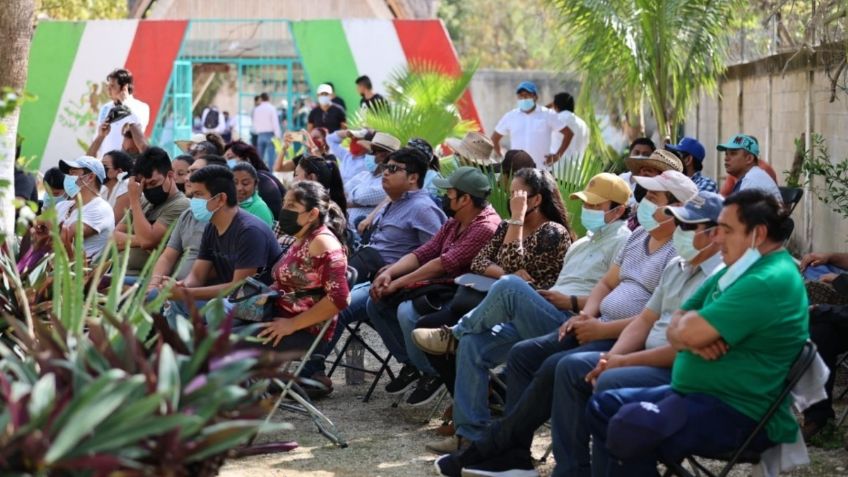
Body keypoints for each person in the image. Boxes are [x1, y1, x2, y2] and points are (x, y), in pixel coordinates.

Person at [435, 192, 725, 477]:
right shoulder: (671, 259)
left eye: (689, 226)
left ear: (717, 233)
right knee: (524, 354)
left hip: (644, 351)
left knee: (566, 365)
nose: (681, 231)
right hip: (607, 330)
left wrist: (610, 350)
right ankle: (513, 454)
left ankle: (514, 451)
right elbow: (643, 312)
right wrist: (597, 332)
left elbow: (676, 335)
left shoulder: (712, 273)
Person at [586, 189, 806, 477]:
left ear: (759, 233)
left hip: (737, 410)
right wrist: (690, 336)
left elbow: (685, 329)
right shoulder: (739, 269)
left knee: (628, 426)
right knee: (605, 406)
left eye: (726, 230)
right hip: (700, 394)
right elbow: (681, 320)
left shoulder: (766, 279)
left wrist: (689, 334)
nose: (717, 238)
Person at [302, 148, 447, 389]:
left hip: (393, 282)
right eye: (385, 167)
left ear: (413, 177)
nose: (384, 173)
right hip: (371, 272)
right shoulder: (395, 201)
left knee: (340, 305)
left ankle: (310, 373)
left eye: (393, 169)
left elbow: (436, 254)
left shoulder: (423, 208)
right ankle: (309, 368)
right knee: (323, 294)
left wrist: (399, 274)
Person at [367, 166, 501, 406]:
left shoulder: (485, 227)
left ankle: (433, 372)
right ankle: (413, 365)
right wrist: (390, 272)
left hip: (465, 295)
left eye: (449, 193)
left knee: (407, 312)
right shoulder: (454, 220)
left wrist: (397, 283)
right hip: (440, 287)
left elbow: (443, 263)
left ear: (465, 199)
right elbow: (425, 251)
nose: (444, 197)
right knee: (374, 302)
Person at [166, 165, 282, 319]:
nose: (194, 201)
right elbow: (197, 275)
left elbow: (239, 286)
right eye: (193, 195)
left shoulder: (250, 231)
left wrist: (187, 293)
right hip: (228, 300)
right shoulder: (211, 227)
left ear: (221, 198)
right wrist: (180, 287)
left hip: (257, 303)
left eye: (199, 194)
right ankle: (181, 343)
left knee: (215, 309)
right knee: (176, 303)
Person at [248, 181, 350, 353]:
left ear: (312, 214)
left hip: (303, 329)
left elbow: (340, 298)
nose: (284, 210)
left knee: (222, 343)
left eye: (292, 205)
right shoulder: (303, 236)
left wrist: (292, 325)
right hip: (277, 313)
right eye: (284, 204)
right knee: (214, 323)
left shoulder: (322, 243)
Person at [148, 155, 227, 289]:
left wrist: (179, 288)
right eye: (188, 172)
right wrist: (153, 285)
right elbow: (167, 257)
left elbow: (216, 271)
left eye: (195, 172)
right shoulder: (188, 214)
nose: (186, 178)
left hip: (201, 294)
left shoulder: (223, 220)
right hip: (173, 286)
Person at [113, 147, 189, 277]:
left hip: (142, 279)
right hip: (118, 272)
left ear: (170, 176)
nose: (148, 189)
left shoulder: (181, 204)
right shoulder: (143, 201)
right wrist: (140, 240)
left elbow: (148, 240)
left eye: (153, 183)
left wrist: (134, 201)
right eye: (144, 185)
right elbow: (113, 238)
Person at [491, 81, 572, 169]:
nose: (523, 99)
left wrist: (557, 156)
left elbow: (568, 133)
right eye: (520, 96)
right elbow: (494, 138)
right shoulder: (511, 116)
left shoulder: (548, 114)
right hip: (517, 171)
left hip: (541, 169)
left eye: (526, 95)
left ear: (535, 97)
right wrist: (502, 156)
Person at [54, 156, 115, 260]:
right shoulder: (63, 205)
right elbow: (35, 225)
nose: (68, 177)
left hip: (77, 273)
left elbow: (66, 236)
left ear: (90, 177)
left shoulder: (101, 209)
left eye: (73, 173)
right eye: (68, 173)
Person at [91, 68, 150, 158]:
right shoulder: (105, 108)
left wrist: (125, 103)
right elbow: (97, 136)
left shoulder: (141, 107)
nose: (108, 89)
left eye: (112, 86)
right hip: (106, 163)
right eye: (108, 86)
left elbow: (139, 128)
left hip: (127, 163)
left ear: (124, 88)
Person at [346, 132, 401, 225]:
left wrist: (348, 198)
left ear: (385, 155)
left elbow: (362, 197)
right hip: (345, 227)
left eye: (373, 152)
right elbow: (342, 191)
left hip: (360, 234)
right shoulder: (364, 175)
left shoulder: (389, 181)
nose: (370, 155)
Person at [225, 140, 286, 218]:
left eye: (230, 158)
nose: (227, 162)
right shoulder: (262, 174)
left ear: (246, 159)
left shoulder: (261, 179)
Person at [718, 133, 782, 202]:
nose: (726, 158)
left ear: (749, 159)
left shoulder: (752, 181)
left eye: (733, 153)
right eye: (726, 154)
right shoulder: (752, 175)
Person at [294, 155, 348, 220]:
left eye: (296, 175)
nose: (294, 179)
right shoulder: (332, 209)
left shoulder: (314, 212)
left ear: (311, 177)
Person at [549, 92, 588, 164]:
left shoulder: (555, 119)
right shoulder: (583, 124)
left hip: (555, 167)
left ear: (555, 106)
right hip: (576, 170)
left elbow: (539, 115)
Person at [232, 162, 274, 228]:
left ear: (255, 185)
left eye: (245, 183)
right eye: (235, 183)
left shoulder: (260, 209)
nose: (239, 188)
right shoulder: (228, 203)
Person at [100, 149, 134, 223]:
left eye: (104, 166)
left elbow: (113, 222)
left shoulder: (126, 186)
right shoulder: (104, 189)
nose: (99, 169)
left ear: (119, 171)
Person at [252, 92, 283, 168]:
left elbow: (254, 122)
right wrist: (278, 135)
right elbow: (275, 123)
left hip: (260, 135)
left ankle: (258, 173)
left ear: (261, 99)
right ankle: (270, 175)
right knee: (271, 158)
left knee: (259, 158)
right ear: (269, 98)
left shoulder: (256, 109)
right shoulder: (271, 108)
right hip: (270, 135)